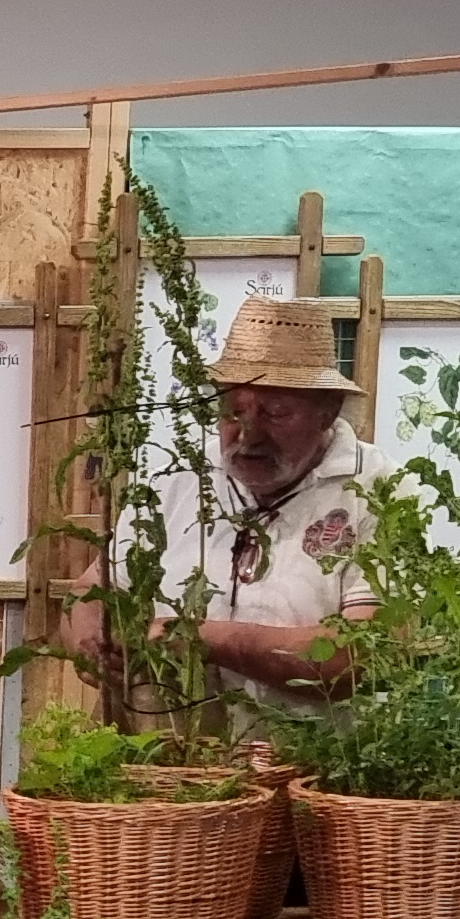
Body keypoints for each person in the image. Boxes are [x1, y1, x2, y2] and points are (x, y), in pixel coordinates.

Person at [72, 294, 381, 708]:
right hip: (165, 746)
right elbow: (92, 588)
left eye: (275, 413)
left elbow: (359, 655)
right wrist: (91, 639)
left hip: (309, 747)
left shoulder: (377, 492)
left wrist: (203, 638)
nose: (248, 434)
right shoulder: (177, 480)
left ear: (327, 411)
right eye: (233, 411)